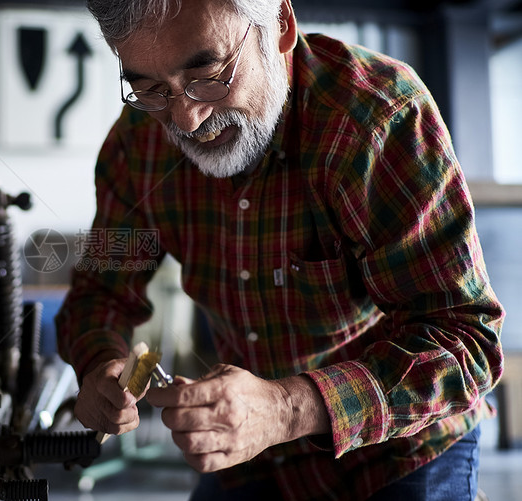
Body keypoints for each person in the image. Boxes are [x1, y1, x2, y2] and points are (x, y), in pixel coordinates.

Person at [53, 0, 505, 499]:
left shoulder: (377, 119)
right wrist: (98, 366)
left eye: (209, 75)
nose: (185, 118)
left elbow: (466, 342)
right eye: (151, 89)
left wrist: (286, 408)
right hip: (252, 456)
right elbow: (99, 291)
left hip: (398, 448)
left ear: (281, 26)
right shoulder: (136, 145)